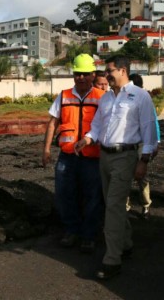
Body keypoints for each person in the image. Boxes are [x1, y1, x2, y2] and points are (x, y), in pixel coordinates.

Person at [74, 55, 158, 280]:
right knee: (115, 206)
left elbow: (149, 132)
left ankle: (112, 259)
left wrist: (143, 161)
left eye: (109, 70)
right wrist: (88, 139)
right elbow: (98, 125)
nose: (106, 74)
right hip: (105, 157)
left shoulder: (140, 97)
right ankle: (127, 243)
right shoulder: (107, 98)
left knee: (112, 207)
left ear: (122, 70)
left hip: (125, 156)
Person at [42, 53, 105, 254]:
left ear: (93, 75)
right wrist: (45, 150)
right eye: (77, 74)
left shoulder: (102, 98)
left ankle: (89, 235)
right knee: (64, 194)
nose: (81, 78)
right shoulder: (64, 95)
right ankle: (71, 230)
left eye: (85, 74)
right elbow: (53, 123)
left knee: (93, 197)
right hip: (67, 156)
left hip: (92, 157)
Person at [125, 73, 158, 219]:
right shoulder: (124, 96)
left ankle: (145, 205)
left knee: (141, 175)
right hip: (128, 143)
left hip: (141, 143)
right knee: (125, 175)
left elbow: (152, 122)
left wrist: (154, 143)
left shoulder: (144, 97)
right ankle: (126, 206)